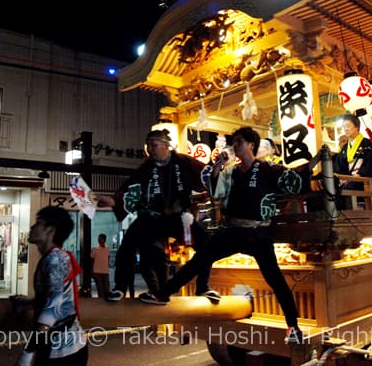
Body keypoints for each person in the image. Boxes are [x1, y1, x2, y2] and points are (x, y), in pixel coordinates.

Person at [142, 127, 312, 344]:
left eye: (239, 142)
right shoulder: (231, 171)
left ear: (252, 144)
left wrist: (311, 166)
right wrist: (216, 168)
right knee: (200, 258)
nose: (235, 146)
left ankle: (293, 327)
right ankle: (162, 293)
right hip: (233, 230)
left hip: (258, 233)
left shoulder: (269, 169)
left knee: (275, 280)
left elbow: (292, 182)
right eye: (234, 142)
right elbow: (216, 191)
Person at [101, 128, 219, 304]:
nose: (150, 149)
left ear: (166, 146)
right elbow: (129, 188)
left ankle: (203, 287)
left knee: (206, 245)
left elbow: (207, 175)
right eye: (148, 146)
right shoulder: (145, 168)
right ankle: (120, 288)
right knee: (127, 246)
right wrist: (114, 200)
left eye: (154, 145)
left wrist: (218, 169)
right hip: (150, 218)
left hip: (179, 217)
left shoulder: (184, 162)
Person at [14, 206, 88, 366]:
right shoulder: (56, 256)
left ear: (50, 230)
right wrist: (28, 302)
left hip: (62, 349)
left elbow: (52, 308)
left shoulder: (54, 259)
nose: (32, 228)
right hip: (66, 346)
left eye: (38, 223)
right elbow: (56, 298)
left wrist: (27, 354)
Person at [333, 113, 372, 191]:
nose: (345, 129)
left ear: (356, 126)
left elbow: (371, 162)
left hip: (364, 179)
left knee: (347, 189)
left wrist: (360, 174)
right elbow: (340, 166)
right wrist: (344, 178)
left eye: (348, 126)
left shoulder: (367, 143)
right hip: (350, 180)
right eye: (344, 127)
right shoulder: (345, 148)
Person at [90, 233, 110, 299]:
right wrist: (92, 270)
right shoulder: (95, 249)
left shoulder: (107, 249)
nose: (98, 240)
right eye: (98, 239)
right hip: (97, 271)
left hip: (105, 271)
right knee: (100, 289)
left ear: (104, 240)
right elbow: (91, 260)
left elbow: (108, 258)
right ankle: (101, 303)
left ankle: (106, 301)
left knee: (106, 288)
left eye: (100, 239)